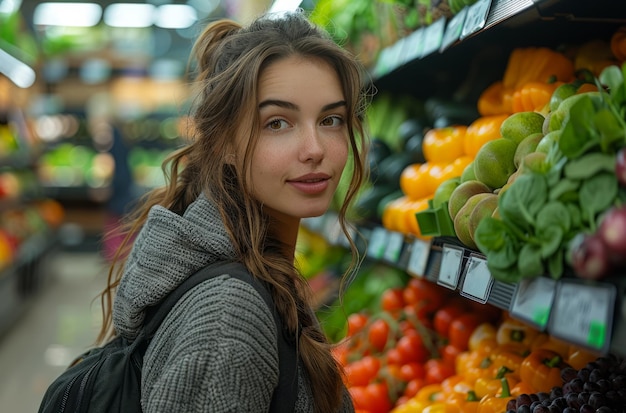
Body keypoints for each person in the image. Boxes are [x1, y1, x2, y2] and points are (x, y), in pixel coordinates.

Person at [96, 10, 371, 413]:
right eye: (277, 123)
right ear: (224, 142)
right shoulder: (228, 320)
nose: (315, 148)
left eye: (331, 119)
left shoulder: (259, 271)